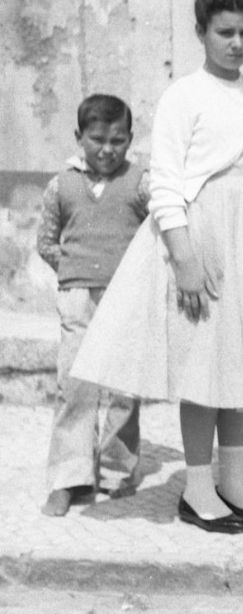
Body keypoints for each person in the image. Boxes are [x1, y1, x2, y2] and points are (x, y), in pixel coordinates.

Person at [71, 0, 243, 533]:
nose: (236, 44)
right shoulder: (183, 95)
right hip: (204, 234)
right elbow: (165, 182)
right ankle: (198, 487)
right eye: (224, 32)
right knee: (207, 366)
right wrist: (183, 256)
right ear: (202, 33)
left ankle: (234, 480)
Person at [36, 95, 149, 516]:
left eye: (118, 140)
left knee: (123, 388)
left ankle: (118, 470)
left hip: (127, 300)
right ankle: (68, 479)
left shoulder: (141, 183)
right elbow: (46, 241)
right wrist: (73, 271)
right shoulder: (61, 185)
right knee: (76, 386)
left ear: (129, 139)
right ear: (79, 137)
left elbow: (158, 233)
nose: (107, 149)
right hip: (78, 298)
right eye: (97, 139)